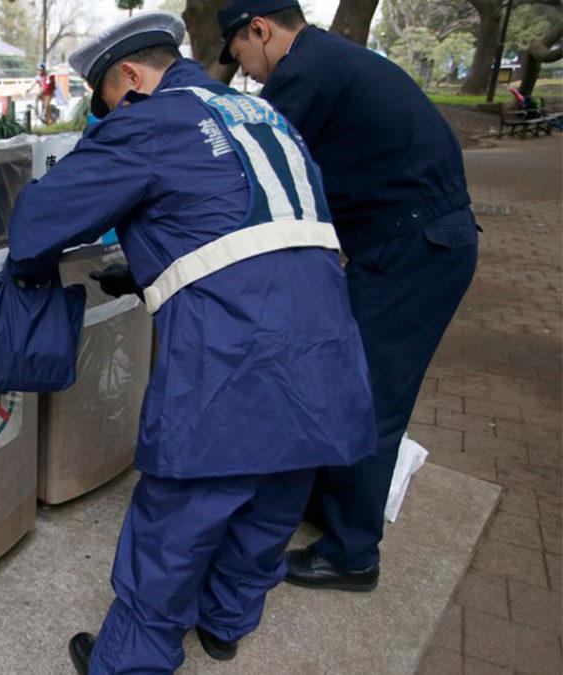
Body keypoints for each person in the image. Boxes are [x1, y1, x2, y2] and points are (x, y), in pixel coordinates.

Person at [2, 12, 377, 674]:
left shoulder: (149, 119)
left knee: (180, 516)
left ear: (130, 76)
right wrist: (146, 264)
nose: (107, 119)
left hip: (233, 347)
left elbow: (37, 223)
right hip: (325, 340)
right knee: (275, 495)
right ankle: (228, 619)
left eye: (107, 106)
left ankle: (130, 661)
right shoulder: (263, 114)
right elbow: (245, 219)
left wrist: (34, 266)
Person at [219, 0, 479, 592]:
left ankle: (354, 554)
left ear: (260, 30)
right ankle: (327, 505)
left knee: (370, 396)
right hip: (409, 239)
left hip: (415, 248)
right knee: (344, 378)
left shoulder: (306, 73)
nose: (250, 76)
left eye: (243, 60)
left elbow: (252, 166)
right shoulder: (331, 59)